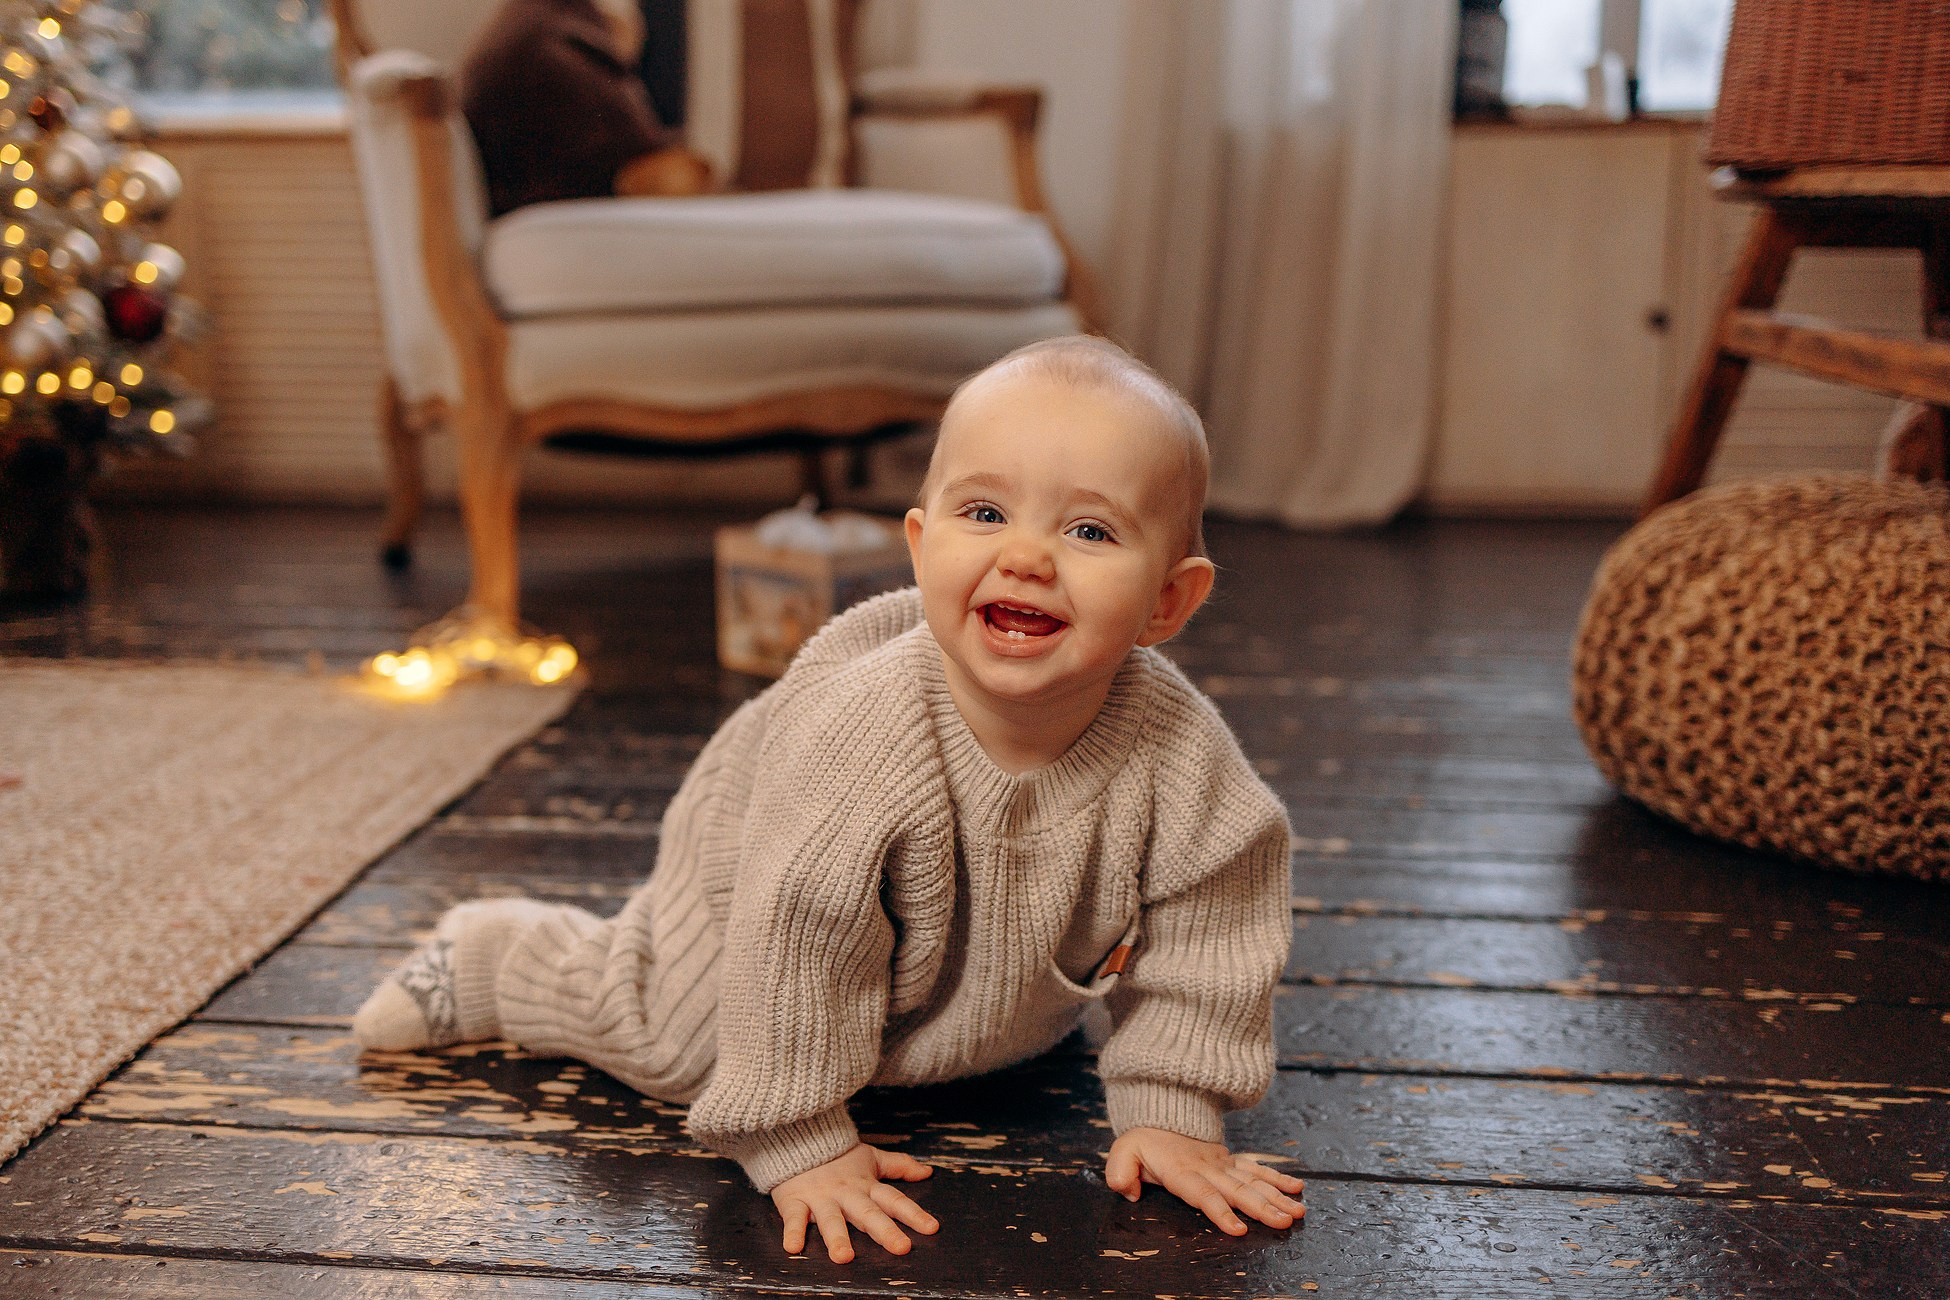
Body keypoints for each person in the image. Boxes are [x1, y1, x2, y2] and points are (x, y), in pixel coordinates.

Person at [352, 335, 1305, 1261]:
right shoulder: (863, 740)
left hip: (959, 976)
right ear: (921, 547)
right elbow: (799, 930)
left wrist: (1173, 1108)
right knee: (677, 1049)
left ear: (1168, 603)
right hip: (761, 903)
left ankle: (942, 1026)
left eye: (1089, 531)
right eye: (984, 513)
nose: (1026, 557)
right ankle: (493, 957)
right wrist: (800, 1138)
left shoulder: (1182, 754)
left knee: (984, 1046)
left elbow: (1214, 925)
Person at [460, 0, 712, 218]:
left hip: (519, 211)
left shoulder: (528, 24)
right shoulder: (562, 50)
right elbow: (657, 172)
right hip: (553, 219)